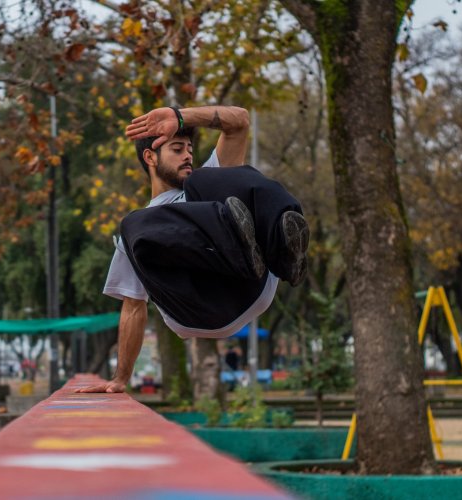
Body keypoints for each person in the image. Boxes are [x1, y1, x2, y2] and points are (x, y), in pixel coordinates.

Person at [76, 105, 308, 393]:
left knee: (210, 179)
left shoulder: (205, 183)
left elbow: (239, 122)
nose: (188, 155)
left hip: (250, 286)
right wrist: (121, 378)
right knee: (134, 224)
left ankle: (285, 254)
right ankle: (242, 248)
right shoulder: (139, 234)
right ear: (150, 157)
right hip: (196, 310)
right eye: (177, 148)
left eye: (189, 148)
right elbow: (133, 308)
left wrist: (181, 116)